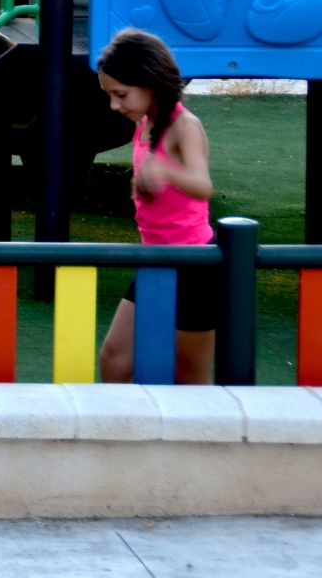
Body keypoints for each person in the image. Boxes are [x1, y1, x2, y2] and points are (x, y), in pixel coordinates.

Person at [95, 29, 216, 385]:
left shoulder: (184, 126)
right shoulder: (145, 123)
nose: (114, 106)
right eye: (110, 96)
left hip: (194, 265)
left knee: (190, 376)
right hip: (155, 259)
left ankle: (198, 440)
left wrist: (165, 170)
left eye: (120, 94)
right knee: (115, 359)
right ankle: (125, 434)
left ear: (149, 82)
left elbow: (202, 184)